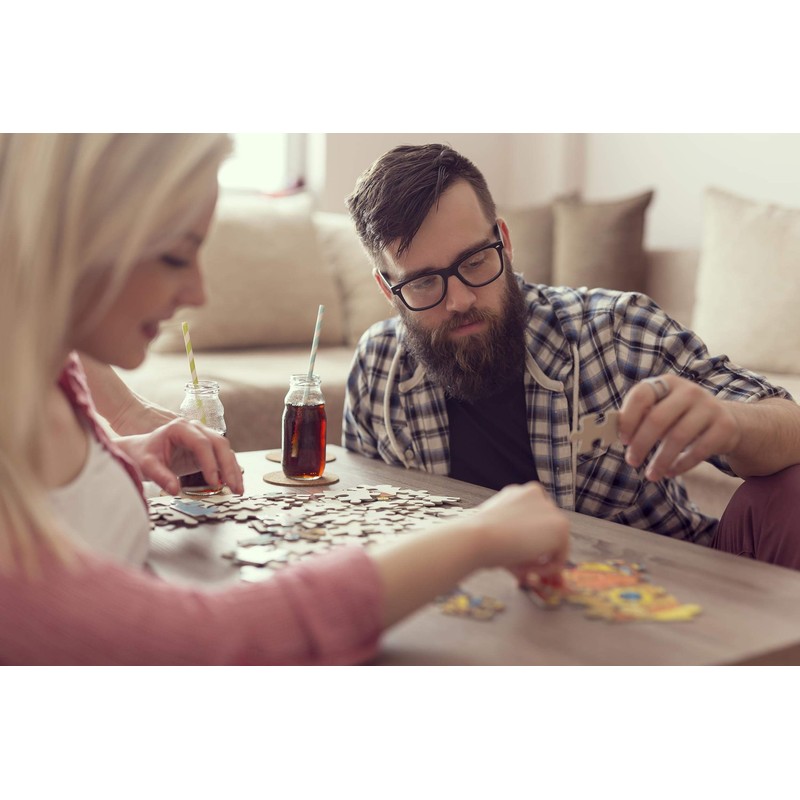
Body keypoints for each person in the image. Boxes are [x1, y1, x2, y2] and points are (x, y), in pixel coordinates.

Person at [0, 133, 569, 665]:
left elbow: (58, 504)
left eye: (474, 261)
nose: (199, 291)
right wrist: (477, 536)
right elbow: (217, 641)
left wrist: (119, 457)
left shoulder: (54, 376)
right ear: (68, 235)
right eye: (176, 255)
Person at [343, 143, 800, 568]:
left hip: (650, 597)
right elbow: (363, 531)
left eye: (475, 261)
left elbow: (789, 424)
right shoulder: (377, 365)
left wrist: (730, 422)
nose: (459, 299)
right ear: (388, 289)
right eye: (423, 282)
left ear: (503, 239)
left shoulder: (619, 329)